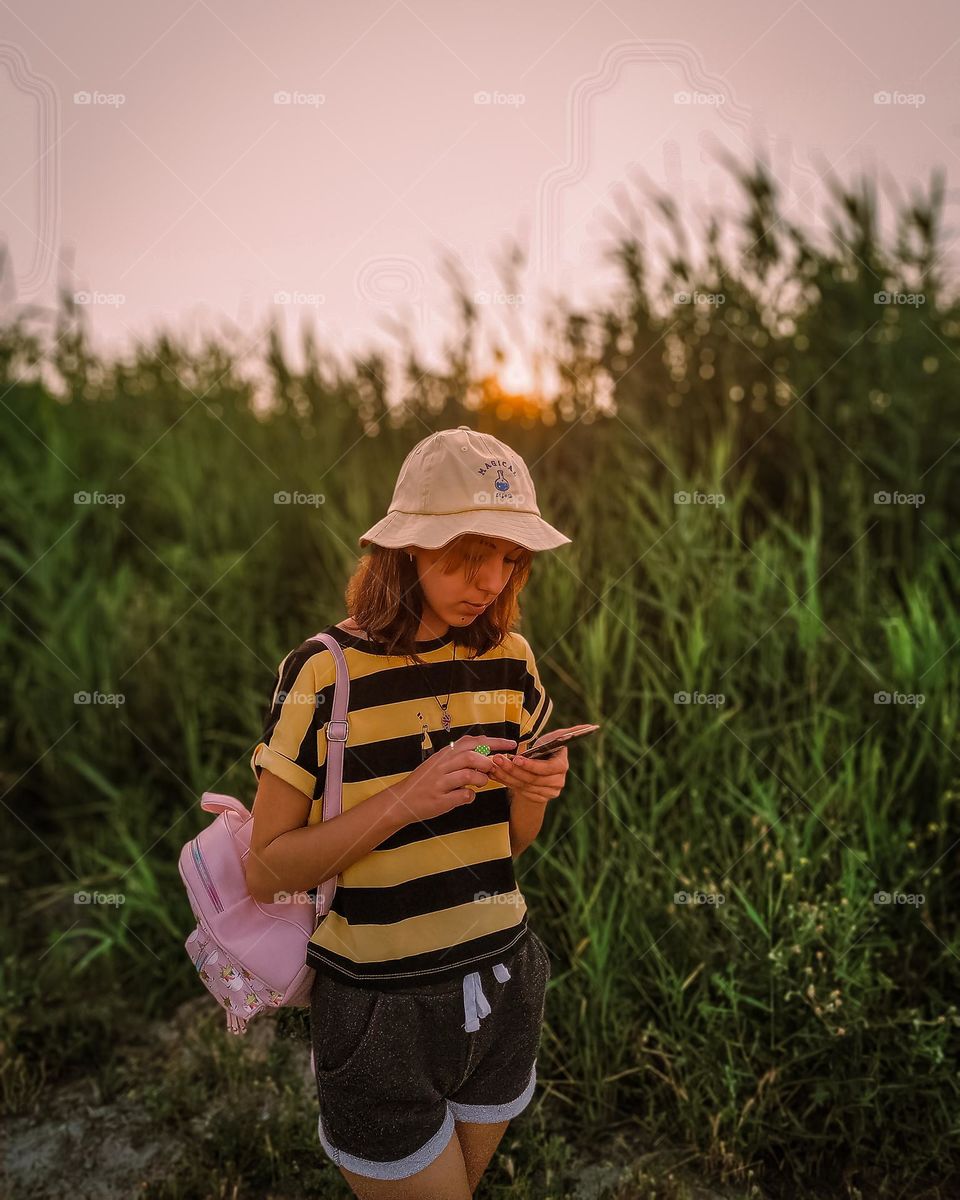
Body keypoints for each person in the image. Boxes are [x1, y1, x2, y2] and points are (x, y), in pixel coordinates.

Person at [245, 425, 573, 1199]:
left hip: (504, 981)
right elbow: (265, 871)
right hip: (379, 1010)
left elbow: (505, 849)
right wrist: (405, 799)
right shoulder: (324, 674)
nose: (490, 580)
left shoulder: (511, 661)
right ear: (407, 549)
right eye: (469, 553)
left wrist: (532, 793)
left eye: (509, 557)